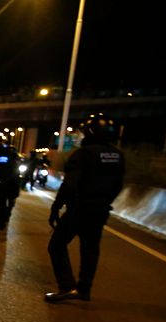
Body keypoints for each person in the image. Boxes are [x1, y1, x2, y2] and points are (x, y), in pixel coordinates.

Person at [45, 113, 124, 302]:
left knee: (56, 245)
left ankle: (67, 286)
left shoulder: (83, 154)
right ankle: (84, 289)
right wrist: (103, 202)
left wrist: (56, 207)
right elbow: (118, 185)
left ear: (90, 132)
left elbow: (69, 185)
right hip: (100, 210)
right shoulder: (118, 156)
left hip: (79, 209)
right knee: (90, 249)